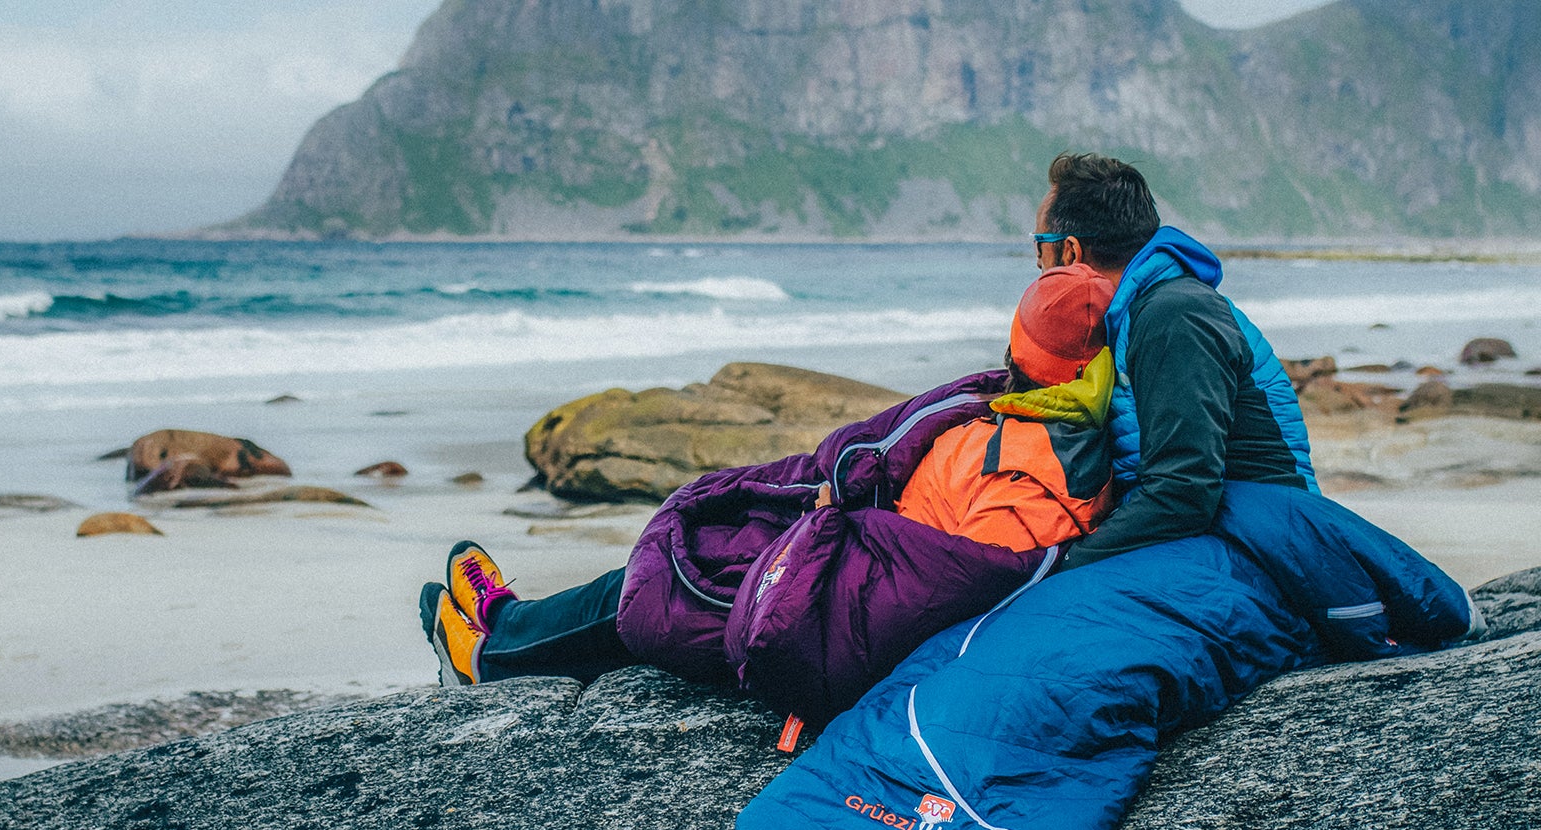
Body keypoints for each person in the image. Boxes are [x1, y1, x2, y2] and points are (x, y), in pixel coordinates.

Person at [420, 262, 1122, 697]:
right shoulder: (1031, 416)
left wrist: (827, 535)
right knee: (686, 557)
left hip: (838, 588)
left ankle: (492, 647)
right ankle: (507, 629)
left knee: (672, 582)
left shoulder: (1039, 476)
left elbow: (946, 586)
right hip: (849, 535)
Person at [1027, 152, 1317, 570]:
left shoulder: (1173, 316)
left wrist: (1063, 565)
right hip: (1222, 532)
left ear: (1070, 252)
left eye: (1040, 246)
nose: (1037, 264)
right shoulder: (1133, 316)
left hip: (1271, 546)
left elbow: (1183, 492)